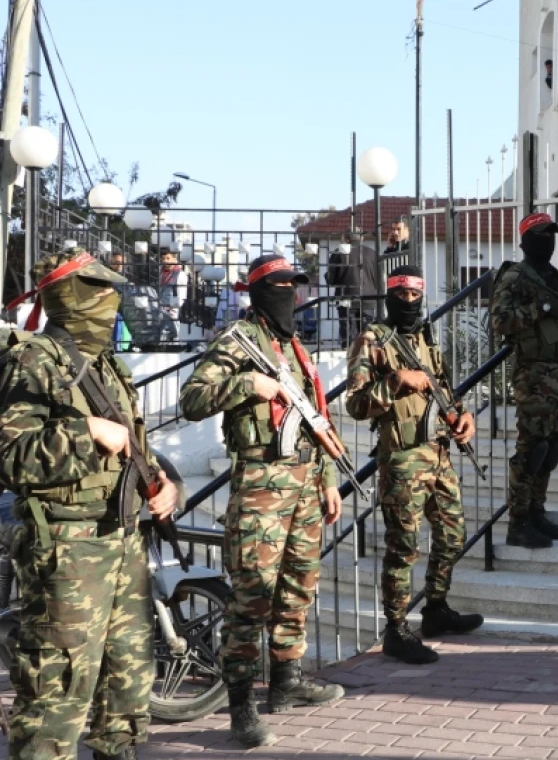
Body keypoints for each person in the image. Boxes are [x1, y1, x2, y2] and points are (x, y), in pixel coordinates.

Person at [0, 248, 179, 760]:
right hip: (65, 549)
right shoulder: (33, 360)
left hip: (122, 541)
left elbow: (132, 449)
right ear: (68, 296)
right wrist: (84, 433)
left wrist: (163, 484)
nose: (111, 299)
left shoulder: (106, 365)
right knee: (56, 696)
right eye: (99, 290)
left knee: (126, 687)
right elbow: (11, 454)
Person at [179, 254, 345, 748]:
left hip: (306, 484)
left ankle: (287, 681)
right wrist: (247, 383)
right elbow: (192, 399)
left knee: (298, 586)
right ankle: (241, 705)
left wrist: (330, 479)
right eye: (279, 285)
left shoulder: (292, 345)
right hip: (260, 486)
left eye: (294, 284)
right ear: (257, 290)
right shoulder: (238, 343)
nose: (290, 292)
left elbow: (316, 418)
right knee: (252, 598)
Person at [345, 264, 483, 665]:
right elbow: (354, 404)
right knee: (403, 547)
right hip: (402, 458)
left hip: (438, 454)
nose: (408, 301)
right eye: (401, 294)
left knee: (453, 536)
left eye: (414, 295)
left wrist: (462, 415)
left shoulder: (425, 337)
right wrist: (395, 382)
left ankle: (436, 608)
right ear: (389, 295)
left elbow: (441, 386)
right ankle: (396, 629)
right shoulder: (373, 339)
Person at [490, 212, 558, 549]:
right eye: (541, 234)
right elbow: (500, 321)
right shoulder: (516, 276)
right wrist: (544, 307)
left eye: (551, 233)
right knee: (531, 449)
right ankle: (518, 523)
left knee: (552, 447)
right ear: (525, 239)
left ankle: (536, 512)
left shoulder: (552, 275)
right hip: (533, 375)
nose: (547, 239)